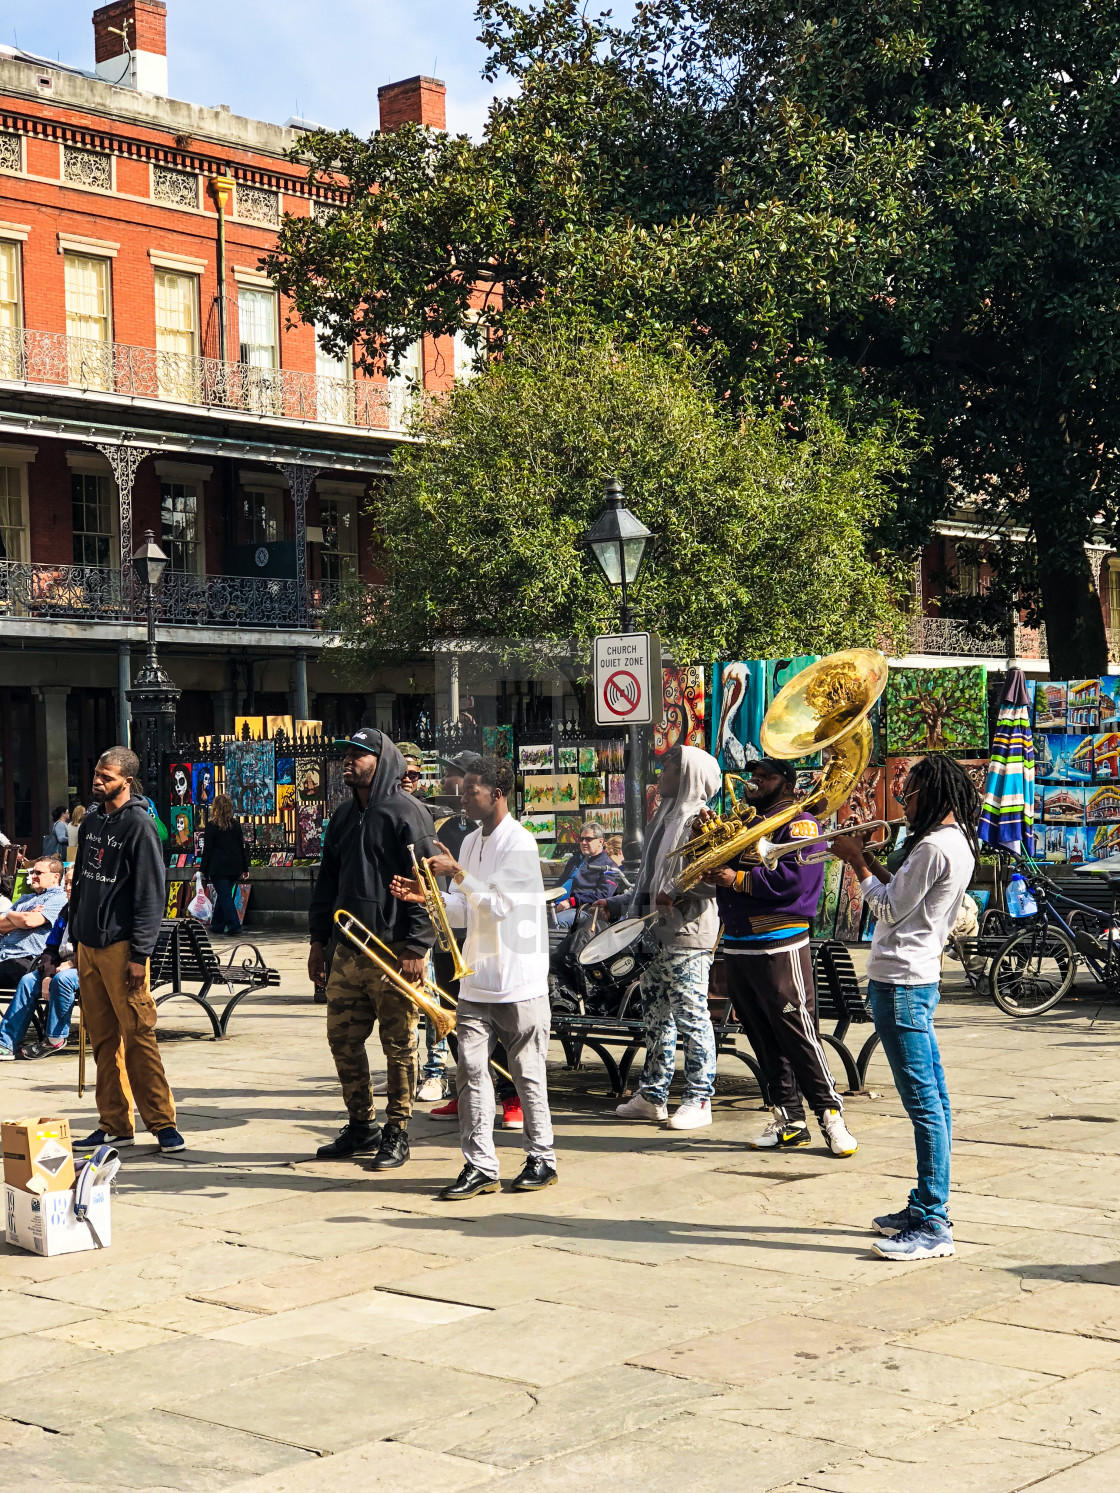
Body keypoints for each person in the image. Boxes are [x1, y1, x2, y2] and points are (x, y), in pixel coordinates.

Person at [832, 755, 980, 1262]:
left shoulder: (934, 847)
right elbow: (903, 894)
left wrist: (855, 864)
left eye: (911, 793)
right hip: (914, 980)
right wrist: (873, 862)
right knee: (933, 1098)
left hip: (901, 983)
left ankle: (935, 1222)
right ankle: (924, 1205)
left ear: (933, 795)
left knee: (924, 1104)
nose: (903, 802)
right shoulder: (953, 842)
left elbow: (890, 908)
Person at [392, 756, 556, 1198]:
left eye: (472, 791)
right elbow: (466, 910)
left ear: (497, 794)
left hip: (518, 977)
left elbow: (500, 905)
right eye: (462, 791)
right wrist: (429, 896)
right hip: (476, 977)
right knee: (470, 1071)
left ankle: (542, 1157)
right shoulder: (467, 844)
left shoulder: (520, 843)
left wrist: (457, 877)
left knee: (526, 1074)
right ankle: (480, 1164)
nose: (463, 799)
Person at [704, 759, 857, 1157]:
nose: (754, 783)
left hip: (779, 941)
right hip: (737, 941)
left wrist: (736, 878)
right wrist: (705, 841)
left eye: (765, 777)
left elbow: (799, 880)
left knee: (796, 1030)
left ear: (787, 784)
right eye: (753, 776)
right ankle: (789, 1118)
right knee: (760, 1033)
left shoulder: (800, 823)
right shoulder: (744, 822)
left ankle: (831, 1115)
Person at [308, 728, 438, 1168]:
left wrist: (418, 945)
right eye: (346, 754)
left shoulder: (408, 812)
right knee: (342, 1039)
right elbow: (326, 883)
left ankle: (398, 1129)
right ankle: (360, 1124)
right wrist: (316, 941)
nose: (349, 760)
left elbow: (426, 883)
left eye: (359, 754)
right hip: (348, 948)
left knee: (398, 1044)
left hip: (396, 947)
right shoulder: (343, 816)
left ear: (382, 761)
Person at [68, 747, 184, 1155]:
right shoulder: (94, 819)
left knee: (138, 1036)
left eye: (107, 776)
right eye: (97, 773)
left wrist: (141, 955)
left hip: (122, 948)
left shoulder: (140, 824)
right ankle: (115, 1122)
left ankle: (162, 1123)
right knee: (102, 1040)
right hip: (88, 945)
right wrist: (71, 937)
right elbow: (82, 880)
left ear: (127, 781)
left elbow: (151, 894)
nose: (98, 781)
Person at [606, 745, 723, 1130]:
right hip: (654, 933)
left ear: (687, 775)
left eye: (669, 771)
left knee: (692, 1017)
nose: (660, 778)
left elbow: (712, 881)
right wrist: (624, 903)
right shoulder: (664, 819)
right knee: (656, 1017)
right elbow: (649, 877)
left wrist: (676, 890)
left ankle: (699, 1097)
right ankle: (653, 1095)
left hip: (686, 935)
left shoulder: (700, 821)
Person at [0, 866, 79, 1060]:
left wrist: (71, 965)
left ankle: (54, 1038)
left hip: (86, 966)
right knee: (29, 981)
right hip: (57, 965)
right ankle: (6, 1043)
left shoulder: (91, 912)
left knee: (63, 979)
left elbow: (94, 949)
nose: (68, 888)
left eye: (73, 883)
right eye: (66, 884)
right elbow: (50, 949)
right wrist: (47, 974)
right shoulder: (66, 910)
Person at [0, 857, 68, 996]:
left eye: (38, 873)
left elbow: (29, 922)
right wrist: (23, 915)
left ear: (55, 877)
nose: (33, 876)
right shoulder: (25, 898)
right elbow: (1, 924)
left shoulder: (59, 898)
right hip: (4, 957)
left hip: (27, 960)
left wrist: (13, 916)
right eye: (32, 872)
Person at [552, 821, 621, 929]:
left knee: (555, 921)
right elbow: (559, 883)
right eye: (581, 839)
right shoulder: (574, 860)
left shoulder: (608, 865)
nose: (583, 842)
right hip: (556, 905)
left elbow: (603, 894)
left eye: (588, 839)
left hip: (584, 910)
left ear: (600, 841)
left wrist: (572, 901)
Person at [201, 794, 247, 935]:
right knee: (224, 895)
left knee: (225, 895)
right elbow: (241, 847)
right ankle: (217, 924)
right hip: (234, 866)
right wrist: (245, 868)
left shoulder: (212, 826)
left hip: (218, 867)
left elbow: (207, 849)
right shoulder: (235, 825)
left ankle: (234, 925)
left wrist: (203, 869)